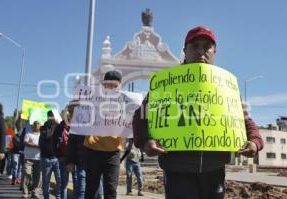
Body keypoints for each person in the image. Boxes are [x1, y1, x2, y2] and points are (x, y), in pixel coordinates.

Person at [132, 26, 264, 199]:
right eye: (195, 46)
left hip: (214, 171)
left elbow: (246, 121)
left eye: (207, 46)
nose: (201, 51)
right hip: (177, 170)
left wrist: (254, 142)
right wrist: (145, 141)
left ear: (214, 51)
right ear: (185, 51)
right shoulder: (167, 83)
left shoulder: (226, 86)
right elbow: (140, 116)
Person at [83, 71, 124, 199]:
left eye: (115, 85)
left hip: (113, 153)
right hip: (93, 149)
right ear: (103, 86)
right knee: (91, 190)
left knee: (111, 190)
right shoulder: (92, 100)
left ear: (119, 86)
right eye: (109, 85)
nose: (112, 88)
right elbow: (78, 116)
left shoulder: (126, 102)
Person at [39, 110, 61, 199]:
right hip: (46, 158)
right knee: (46, 181)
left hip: (57, 159)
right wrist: (56, 130)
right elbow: (47, 137)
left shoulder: (59, 127)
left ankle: (58, 197)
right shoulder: (44, 127)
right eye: (49, 116)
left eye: (52, 115)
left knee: (60, 180)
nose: (51, 117)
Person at [22, 120, 41, 199]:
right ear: (33, 126)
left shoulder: (42, 135)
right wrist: (36, 145)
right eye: (35, 124)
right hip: (28, 158)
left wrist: (31, 144)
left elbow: (43, 145)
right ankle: (25, 193)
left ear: (40, 126)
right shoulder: (28, 134)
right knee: (27, 174)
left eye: (38, 124)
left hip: (39, 158)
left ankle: (35, 192)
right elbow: (26, 143)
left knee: (38, 177)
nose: (36, 125)